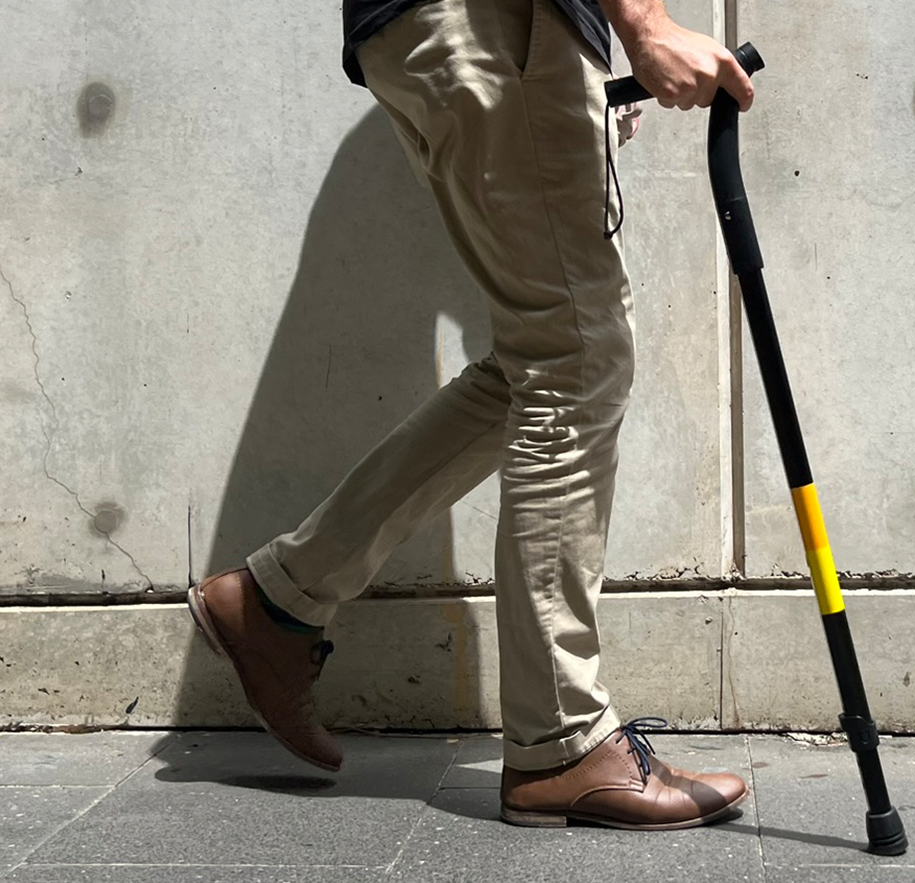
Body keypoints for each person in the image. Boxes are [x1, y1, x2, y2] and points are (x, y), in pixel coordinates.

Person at [187, 0, 755, 830]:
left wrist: (586, 55)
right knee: (573, 358)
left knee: (540, 360)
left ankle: (279, 598)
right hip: (492, 20)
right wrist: (644, 22)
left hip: (451, 29)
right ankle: (561, 743)